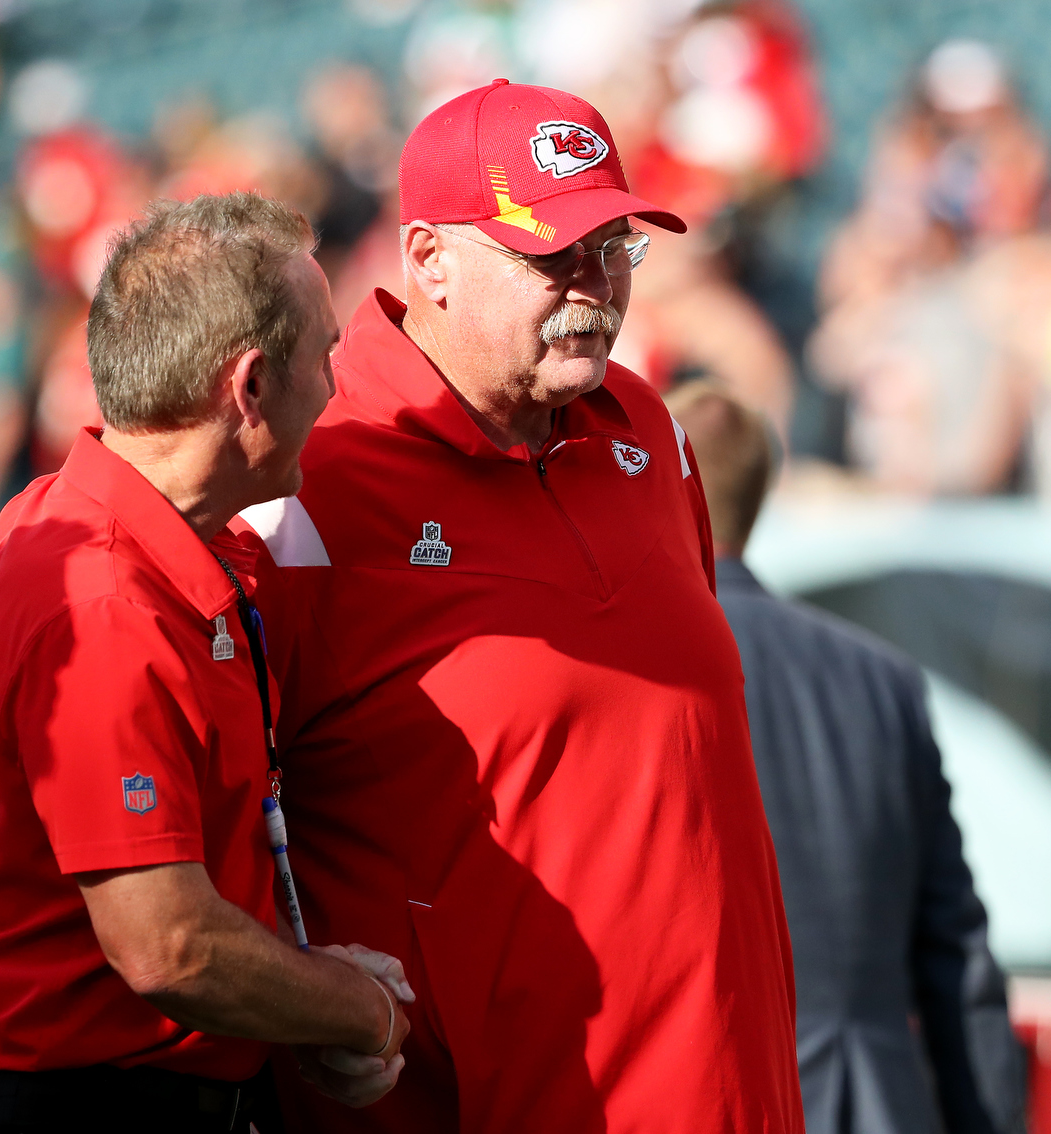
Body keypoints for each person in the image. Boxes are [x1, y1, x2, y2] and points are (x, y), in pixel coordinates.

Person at [229, 81, 804, 1133]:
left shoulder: (647, 427)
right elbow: (205, 825)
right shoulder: (308, 477)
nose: (593, 287)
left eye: (615, 245)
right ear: (428, 259)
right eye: (552, 255)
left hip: (728, 1086)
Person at [0, 193, 414, 1134]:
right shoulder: (104, 604)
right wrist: (360, 1010)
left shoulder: (91, 524)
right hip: (81, 1104)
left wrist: (295, 997)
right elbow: (167, 945)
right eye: (325, 355)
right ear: (253, 387)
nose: (337, 387)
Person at [667, 382, 1026, 1134]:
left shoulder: (641, 665)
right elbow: (956, 953)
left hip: (712, 1097)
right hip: (875, 1103)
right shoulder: (883, 679)